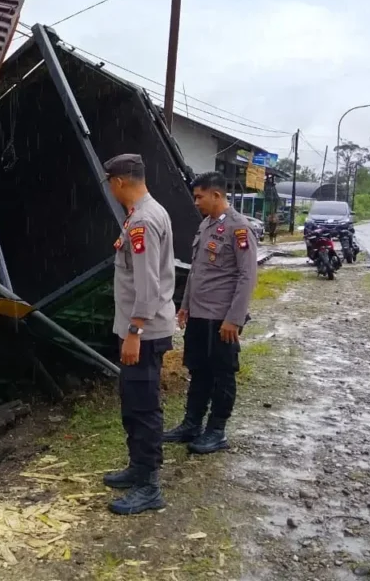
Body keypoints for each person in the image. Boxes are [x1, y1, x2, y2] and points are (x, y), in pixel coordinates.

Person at [101, 153, 176, 516]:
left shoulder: (143, 221)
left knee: (143, 407)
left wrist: (134, 331)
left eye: (109, 184)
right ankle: (137, 468)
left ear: (118, 182)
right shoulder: (146, 213)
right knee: (133, 403)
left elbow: (147, 285)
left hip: (143, 333)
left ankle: (149, 486)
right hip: (141, 329)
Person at [165, 171, 258, 454]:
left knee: (222, 374)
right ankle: (191, 424)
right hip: (199, 315)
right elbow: (197, 271)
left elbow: (247, 276)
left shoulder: (239, 228)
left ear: (216, 195)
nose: (196, 202)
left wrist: (234, 318)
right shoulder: (206, 225)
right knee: (198, 370)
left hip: (222, 318)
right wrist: (184, 306)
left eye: (199, 196)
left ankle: (216, 430)